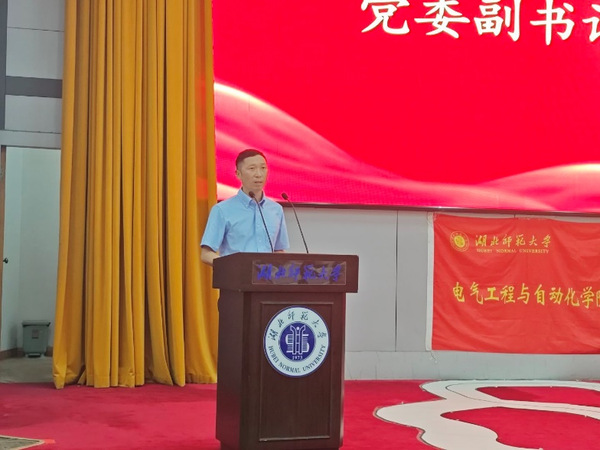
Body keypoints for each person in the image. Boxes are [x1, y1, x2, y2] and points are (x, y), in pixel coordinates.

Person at [200, 149, 289, 266]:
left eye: (263, 168)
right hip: (235, 276)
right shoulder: (222, 210)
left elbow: (279, 250)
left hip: (266, 276)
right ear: (238, 174)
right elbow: (206, 253)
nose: (258, 174)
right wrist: (231, 267)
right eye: (252, 169)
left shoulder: (276, 210)